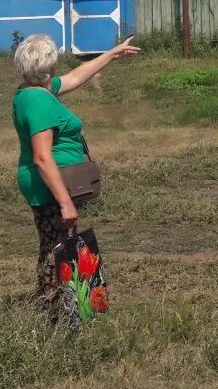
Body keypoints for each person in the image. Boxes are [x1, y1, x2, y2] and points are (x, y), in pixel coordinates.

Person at [12, 33, 140, 319]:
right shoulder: (39, 101)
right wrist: (65, 203)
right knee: (55, 247)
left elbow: (75, 77)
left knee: (56, 242)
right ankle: (58, 312)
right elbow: (43, 157)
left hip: (54, 184)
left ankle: (64, 307)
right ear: (49, 67)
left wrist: (112, 53)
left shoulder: (35, 90)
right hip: (50, 185)